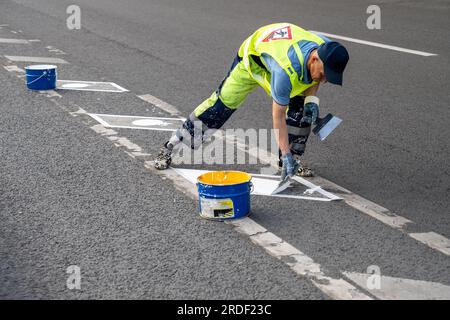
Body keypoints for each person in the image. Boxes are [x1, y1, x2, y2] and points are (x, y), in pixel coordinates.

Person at [154, 22, 349, 180]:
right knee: (218, 108)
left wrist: (312, 101)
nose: (323, 80)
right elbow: (277, 116)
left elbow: (313, 79)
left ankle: (291, 161)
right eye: (324, 75)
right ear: (314, 60)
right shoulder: (284, 72)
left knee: (302, 112)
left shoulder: (325, 47)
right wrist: (284, 150)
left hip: (283, 62)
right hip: (252, 62)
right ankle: (171, 147)